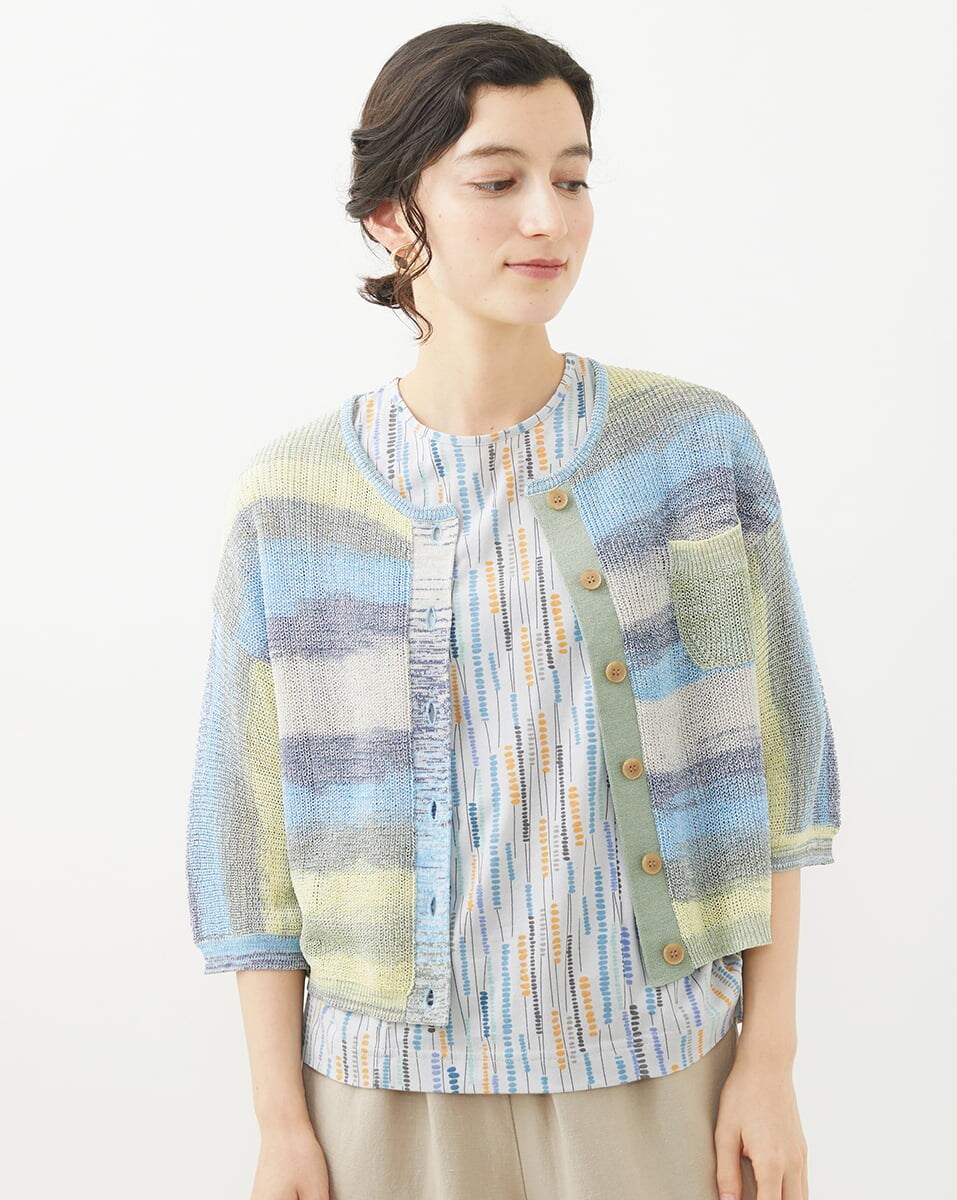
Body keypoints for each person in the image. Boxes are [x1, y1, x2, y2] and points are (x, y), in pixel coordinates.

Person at [185, 20, 841, 1200]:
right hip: (383, 1101)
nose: (549, 218)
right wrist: (281, 1123)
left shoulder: (687, 457)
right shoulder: (295, 500)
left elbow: (768, 768)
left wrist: (768, 1062)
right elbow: (252, 839)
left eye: (572, 179)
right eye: (497, 182)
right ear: (392, 217)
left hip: (655, 1071)